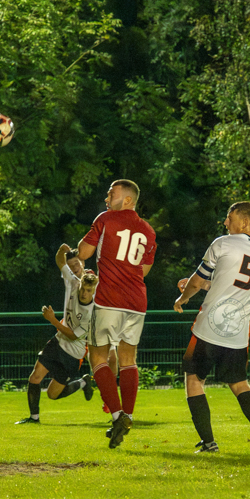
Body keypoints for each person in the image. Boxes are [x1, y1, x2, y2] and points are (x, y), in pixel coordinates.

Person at [173, 201, 250, 453]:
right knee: (240, 383)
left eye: (229, 217)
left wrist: (183, 297)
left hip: (209, 326)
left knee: (194, 380)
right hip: (237, 330)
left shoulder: (222, 243)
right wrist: (204, 285)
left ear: (244, 222)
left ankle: (209, 443)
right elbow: (233, 285)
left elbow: (198, 280)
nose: (225, 222)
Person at [76, 179, 156, 449]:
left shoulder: (106, 219)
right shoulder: (148, 230)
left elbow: (83, 252)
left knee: (97, 356)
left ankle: (116, 415)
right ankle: (127, 417)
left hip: (109, 299)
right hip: (137, 301)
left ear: (128, 199)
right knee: (128, 358)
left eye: (112, 193)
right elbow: (143, 271)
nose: (107, 197)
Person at [15, 245, 98, 424]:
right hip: (58, 343)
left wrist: (52, 320)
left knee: (53, 394)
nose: (84, 293)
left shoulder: (92, 310)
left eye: (88, 291)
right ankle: (34, 418)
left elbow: (74, 336)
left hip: (73, 354)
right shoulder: (73, 282)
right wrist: (61, 249)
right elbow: (60, 261)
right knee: (35, 377)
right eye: (83, 289)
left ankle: (83, 383)